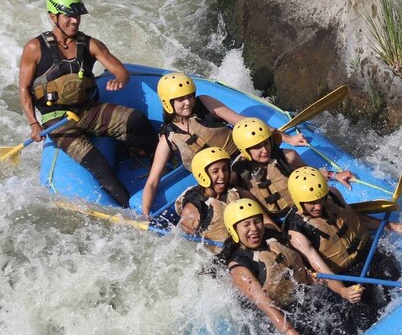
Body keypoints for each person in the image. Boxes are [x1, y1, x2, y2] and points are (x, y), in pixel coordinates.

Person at [18, 0, 156, 208]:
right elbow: (24, 89)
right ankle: (131, 210)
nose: (74, 21)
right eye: (68, 16)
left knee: (135, 119)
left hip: (87, 110)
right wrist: (34, 123)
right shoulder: (35, 48)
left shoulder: (90, 44)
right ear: (53, 16)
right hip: (57, 122)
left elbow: (120, 70)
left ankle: (152, 154)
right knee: (98, 165)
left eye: (77, 15)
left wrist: (120, 78)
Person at [140, 73, 307, 217]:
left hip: (245, 157)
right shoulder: (167, 138)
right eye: (181, 99)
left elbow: (244, 122)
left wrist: (287, 138)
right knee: (234, 188)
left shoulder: (205, 103)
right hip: (221, 179)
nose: (188, 102)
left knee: (290, 156)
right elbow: (153, 181)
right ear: (168, 103)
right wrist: (145, 212)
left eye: (190, 96)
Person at [220, 199, 368, 335]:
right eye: (246, 225)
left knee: (357, 320)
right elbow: (267, 307)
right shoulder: (240, 267)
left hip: (303, 300)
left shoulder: (272, 237)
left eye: (257, 222)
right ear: (233, 229)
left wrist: (318, 281)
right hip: (279, 322)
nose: (254, 229)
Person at [284, 166, 402, 277]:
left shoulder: (333, 195)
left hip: (368, 252)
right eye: (312, 203)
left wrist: (396, 227)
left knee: (392, 274)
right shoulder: (297, 232)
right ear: (299, 201)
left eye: (320, 199)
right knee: (363, 311)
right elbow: (324, 273)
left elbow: (355, 219)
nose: (319, 206)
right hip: (344, 274)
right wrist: (343, 291)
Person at [230, 118, 355, 219]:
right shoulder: (239, 172)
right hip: (272, 220)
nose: (264, 150)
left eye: (266, 143)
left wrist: (334, 175)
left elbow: (310, 175)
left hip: (301, 211)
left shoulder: (287, 157)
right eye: (257, 147)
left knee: (332, 192)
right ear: (245, 150)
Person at [174, 146, 278, 247]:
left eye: (225, 169)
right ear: (202, 175)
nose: (222, 175)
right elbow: (185, 247)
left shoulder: (240, 193)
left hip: (246, 249)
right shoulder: (192, 209)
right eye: (215, 171)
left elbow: (268, 223)